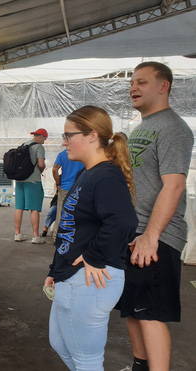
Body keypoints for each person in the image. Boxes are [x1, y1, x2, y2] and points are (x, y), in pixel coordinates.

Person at [45, 105, 138, 370]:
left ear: (92, 135)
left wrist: (95, 256)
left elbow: (124, 221)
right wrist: (56, 269)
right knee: (61, 345)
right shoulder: (89, 173)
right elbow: (74, 230)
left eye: (68, 135)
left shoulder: (105, 175)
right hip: (73, 278)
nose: (64, 143)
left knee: (87, 361)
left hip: (89, 281)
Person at [117, 62, 193, 371]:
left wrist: (151, 236)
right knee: (133, 309)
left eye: (142, 82)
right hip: (135, 233)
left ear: (164, 87)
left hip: (157, 236)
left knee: (150, 312)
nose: (134, 87)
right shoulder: (143, 126)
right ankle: (139, 366)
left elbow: (174, 186)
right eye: (133, 82)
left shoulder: (172, 127)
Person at [14, 129, 47, 244]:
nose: (44, 141)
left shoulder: (23, 145)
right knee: (34, 208)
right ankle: (36, 236)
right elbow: (41, 164)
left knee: (19, 207)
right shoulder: (39, 147)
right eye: (45, 139)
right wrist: (41, 170)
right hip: (33, 181)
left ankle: (17, 234)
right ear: (42, 136)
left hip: (20, 180)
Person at [51, 149, 85, 239]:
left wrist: (58, 183)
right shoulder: (84, 153)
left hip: (66, 187)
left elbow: (54, 170)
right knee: (79, 213)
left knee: (61, 212)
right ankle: (76, 237)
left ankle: (56, 237)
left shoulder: (62, 154)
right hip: (81, 187)